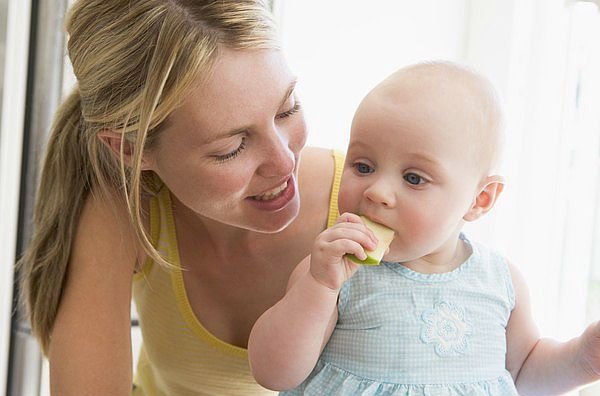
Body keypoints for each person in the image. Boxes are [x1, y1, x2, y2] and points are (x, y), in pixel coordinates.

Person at [18, 1, 345, 395]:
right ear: (129, 148)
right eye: (231, 147)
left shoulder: (378, 206)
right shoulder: (130, 208)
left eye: (287, 109)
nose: (284, 161)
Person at [247, 62, 600, 395]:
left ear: (480, 199)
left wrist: (583, 359)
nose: (378, 192)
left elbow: (523, 376)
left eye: (414, 178)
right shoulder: (332, 273)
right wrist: (320, 288)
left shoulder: (500, 282)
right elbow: (275, 373)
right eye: (363, 166)